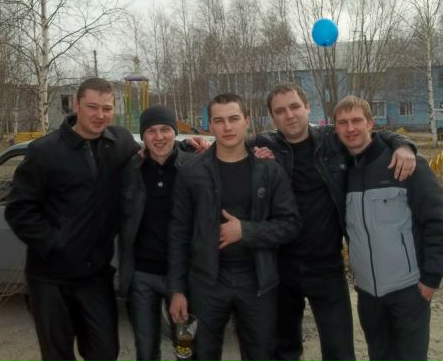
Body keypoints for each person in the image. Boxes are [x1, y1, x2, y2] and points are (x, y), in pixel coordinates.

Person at [252, 83, 417, 361]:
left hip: (327, 266)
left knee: (339, 351)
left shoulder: (332, 140)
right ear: (272, 117)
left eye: (294, 106)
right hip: (281, 267)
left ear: (308, 108)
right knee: (283, 350)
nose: (289, 115)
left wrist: (403, 145)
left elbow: (372, 135)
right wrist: (190, 144)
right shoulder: (265, 145)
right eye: (280, 111)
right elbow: (223, 147)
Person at [5, 78, 140, 361]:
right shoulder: (45, 151)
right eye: (92, 107)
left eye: (107, 108)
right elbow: (19, 209)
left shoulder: (120, 143)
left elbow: (155, 150)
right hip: (50, 279)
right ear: (76, 105)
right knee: (57, 355)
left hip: (95, 277)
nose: (100, 115)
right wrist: (56, 242)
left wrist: (192, 147)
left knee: (105, 352)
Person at [168, 92, 301, 361]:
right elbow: (179, 234)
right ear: (210, 125)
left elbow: (291, 224)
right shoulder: (192, 172)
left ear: (246, 121)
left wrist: (245, 231)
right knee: (202, 353)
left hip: (257, 279)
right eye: (219, 121)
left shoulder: (269, 170)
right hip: (206, 281)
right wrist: (177, 290)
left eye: (234, 119)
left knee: (260, 353)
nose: (227, 127)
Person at [333, 95, 443, 361]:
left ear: (370, 123)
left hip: (408, 292)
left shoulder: (405, 164)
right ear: (336, 129)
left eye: (356, 120)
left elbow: (440, 223)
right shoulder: (343, 171)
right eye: (343, 123)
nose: (350, 128)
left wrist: (431, 280)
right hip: (368, 295)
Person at [119, 104, 195, 361]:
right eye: (151, 131)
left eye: (165, 129)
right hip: (142, 277)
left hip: (185, 278)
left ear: (175, 132)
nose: (159, 137)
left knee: (186, 349)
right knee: (146, 350)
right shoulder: (131, 170)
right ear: (143, 136)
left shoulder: (195, 168)